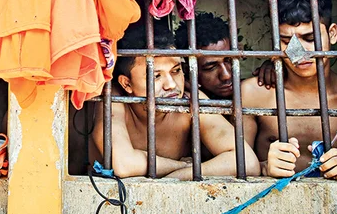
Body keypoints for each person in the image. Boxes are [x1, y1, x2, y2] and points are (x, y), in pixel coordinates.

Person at [90, 19, 260, 179]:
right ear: (127, 84)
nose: (171, 85)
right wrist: (182, 166)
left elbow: (247, 162)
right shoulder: (115, 100)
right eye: (156, 76)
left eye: (176, 71)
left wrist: (181, 175)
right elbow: (124, 165)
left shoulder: (190, 99)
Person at [241, 0, 337, 180]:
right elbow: (237, 165)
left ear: (332, 34)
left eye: (309, 37)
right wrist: (265, 168)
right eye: (286, 41)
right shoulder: (254, 93)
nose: (299, 52)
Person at [175, 12, 280, 99]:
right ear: (187, 70)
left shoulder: (256, 89)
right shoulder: (184, 100)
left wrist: (278, 68)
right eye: (211, 67)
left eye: (229, 60)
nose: (226, 75)